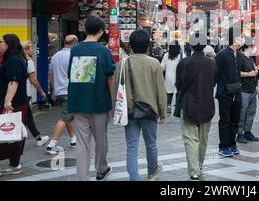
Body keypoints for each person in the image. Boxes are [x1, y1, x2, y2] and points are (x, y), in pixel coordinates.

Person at [112, 30, 167, 181]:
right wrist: (162, 112)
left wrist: (115, 110)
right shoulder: (154, 63)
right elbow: (160, 91)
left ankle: (134, 178)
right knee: (151, 144)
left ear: (131, 46)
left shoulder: (122, 63)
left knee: (132, 146)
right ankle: (151, 173)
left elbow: (116, 89)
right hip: (149, 110)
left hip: (128, 110)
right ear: (148, 46)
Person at [67, 16, 116, 181]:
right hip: (99, 102)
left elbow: (71, 75)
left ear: (85, 29)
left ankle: (82, 177)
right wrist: (113, 103)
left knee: (82, 142)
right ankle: (101, 168)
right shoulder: (103, 51)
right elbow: (110, 75)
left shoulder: (75, 49)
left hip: (78, 103)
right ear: (101, 31)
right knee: (101, 139)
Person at [0, 34, 29, 179]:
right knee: (12, 135)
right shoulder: (12, 59)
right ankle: (15, 165)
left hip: (11, 104)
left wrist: (7, 101)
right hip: (15, 104)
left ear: (9, 44)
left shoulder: (14, 60)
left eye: (1, 42)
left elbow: (14, 81)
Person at [175, 33, 217, 180]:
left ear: (191, 45)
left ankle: (194, 170)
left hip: (188, 105)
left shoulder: (185, 63)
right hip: (207, 104)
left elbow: (179, 84)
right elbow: (214, 82)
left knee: (190, 139)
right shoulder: (212, 63)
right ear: (205, 45)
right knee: (203, 138)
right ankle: (199, 165)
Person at [46, 35, 79, 155]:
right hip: (69, 91)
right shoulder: (73, 56)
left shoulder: (55, 56)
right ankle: (52, 143)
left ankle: (73, 139)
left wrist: (54, 90)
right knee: (65, 117)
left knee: (68, 115)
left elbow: (51, 75)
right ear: (74, 43)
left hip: (59, 92)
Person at [215, 27, 244, 157]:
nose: (242, 38)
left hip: (237, 92)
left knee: (235, 119)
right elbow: (216, 74)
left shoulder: (240, 55)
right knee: (225, 120)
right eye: (240, 36)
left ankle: (232, 144)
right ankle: (223, 146)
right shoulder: (222, 55)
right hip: (225, 93)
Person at [22, 42, 50, 147]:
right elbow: (33, 80)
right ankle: (14, 140)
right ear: (27, 48)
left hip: (18, 93)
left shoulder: (17, 60)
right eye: (31, 48)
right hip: (25, 93)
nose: (33, 50)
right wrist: (42, 92)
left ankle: (38, 137)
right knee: (24, 117)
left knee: (27, 116)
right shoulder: (28, 61)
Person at [236, 40, 259, 144]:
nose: (254, 48)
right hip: (243, 90)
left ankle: (248, 131)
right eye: (252, 46)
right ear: (246, 47)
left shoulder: (251, 59)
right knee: (242, 112)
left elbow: (254, 73)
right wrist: (249, 74)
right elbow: (237, 73)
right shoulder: (240, 57)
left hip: (252, 90)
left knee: (251, 112)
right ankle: (239, 133)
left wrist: (256, 86)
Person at [161, 42, 184, 114]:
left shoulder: (166, 55)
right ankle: (177, 107)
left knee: (169, 92)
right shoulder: (181, 55)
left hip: (168, 77)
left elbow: (162, 67)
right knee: (178, 92)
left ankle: (168, 106)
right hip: (178, 77)